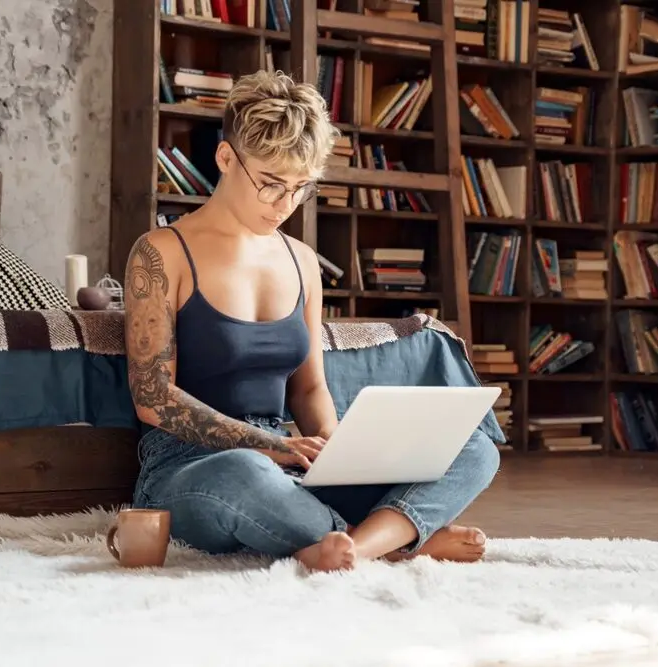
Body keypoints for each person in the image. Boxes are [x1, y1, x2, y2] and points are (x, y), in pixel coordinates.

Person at [125, 69, 500, 572]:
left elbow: (308, 389)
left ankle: (354, 548)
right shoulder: (160, 253)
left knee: (475, 448)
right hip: (191, 467)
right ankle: (398, 541)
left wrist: (342, 452)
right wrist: (270, 446)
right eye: (271, 184)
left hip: (292, 463)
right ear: (225, 159)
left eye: (301, 187)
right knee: (247, 474)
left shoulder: (302, 261)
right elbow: (153, 399)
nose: (285, 205)